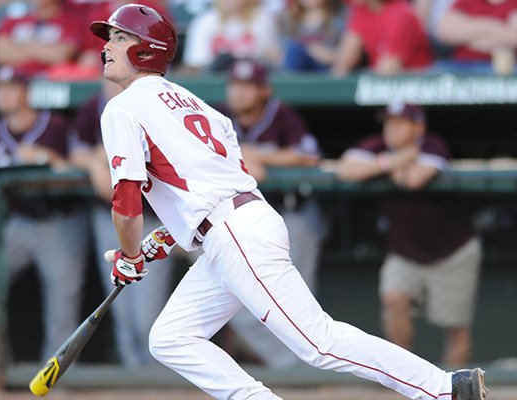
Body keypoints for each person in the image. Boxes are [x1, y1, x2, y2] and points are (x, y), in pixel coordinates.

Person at [88, 4, 488, 400]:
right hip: (236, 225)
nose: (107, 46)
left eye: (120, 37)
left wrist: (130, 256)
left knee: (318, 342)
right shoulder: (199, 105)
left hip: (234, 234)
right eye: (109, 37)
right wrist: (169, 235)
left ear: (146, 49)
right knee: (171, 337)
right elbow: (209, 184)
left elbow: (125, 199)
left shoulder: (122, 106)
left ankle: (445, 389)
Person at [0, 66, 89, 391]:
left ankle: (55, 378)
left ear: (26, 91)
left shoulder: (55, 126)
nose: (4, 94)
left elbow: (80, 170)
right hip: (17, 224)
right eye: (0, 88)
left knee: (62, 302)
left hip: (60, 223)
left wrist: (48, 158)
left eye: (11, 88)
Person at [337, 102, 483, 368]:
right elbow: (345, 171)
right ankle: (407, 376)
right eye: (388, 123)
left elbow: (413, 180)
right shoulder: (377, 146)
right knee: (393, 298)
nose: (391, 129)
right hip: (405, 250)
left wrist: (388, 166)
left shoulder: (433, 144)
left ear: (418, 127)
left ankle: (451, 393)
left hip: (452, 250)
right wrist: (392, 161)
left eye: (399, 123)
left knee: (456, 329)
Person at [217, 57, 325, 368]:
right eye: (235, 85)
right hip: (240, 224)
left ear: (264, 91)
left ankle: (305, 370)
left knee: (297, 305)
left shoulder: (282, 115)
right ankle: (293, 370)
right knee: (241, 307)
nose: (239, 93)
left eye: (248, 86)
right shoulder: (219, 115)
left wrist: (260, 155)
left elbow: (309, 155)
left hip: (291, 215)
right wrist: (246, 158)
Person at [69, 79, 173, 367]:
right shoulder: (93, 108)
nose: (110, 81)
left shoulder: (153, 104)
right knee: (122, 310)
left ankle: (158, 378)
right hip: (110, 216)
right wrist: (92, 163)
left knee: (147, 315)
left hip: (152, 219)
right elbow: (76, 153)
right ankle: (135, 380)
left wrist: (100, 158)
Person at [331, 0, 433, 77]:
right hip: (380, 83)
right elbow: (344, 61)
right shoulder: (362, 12)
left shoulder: (401, 13)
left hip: (413, 88)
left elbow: (388, 68)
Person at [181, 0, 281, 73]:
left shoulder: (263, 21)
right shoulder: (203, 22)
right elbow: (196, 65)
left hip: (252, 83)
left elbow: (272, 62)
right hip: (214, 84)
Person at [0, 0, 83, 78]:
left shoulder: (70, 21)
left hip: (47, 83)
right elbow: (0, 55)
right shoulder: (14, 19)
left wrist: (24, 46)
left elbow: (62, 55)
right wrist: (43, 51)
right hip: (10, 81)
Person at [436, 0, 517, 73]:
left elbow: (513, 38)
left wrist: (468, 36)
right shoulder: (467, 1)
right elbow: (445, 32)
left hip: (500, 68)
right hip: (460, 66)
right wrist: (499, 27)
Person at [280, 0, 346, 72]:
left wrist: (330, 55)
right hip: (297, 70)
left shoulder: (339, 18)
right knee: (295, 50)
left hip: (327, 68)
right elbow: (283, 55)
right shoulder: (289, 20)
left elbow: (348, 54)